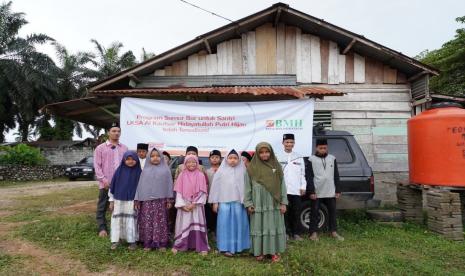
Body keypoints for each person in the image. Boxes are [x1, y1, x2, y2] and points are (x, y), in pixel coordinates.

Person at [244, 142, 287, 262]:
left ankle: (273, 252)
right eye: (261, 152)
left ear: (271, 152)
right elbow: (247, 188)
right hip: (258, 203)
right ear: (257, 154)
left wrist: (283, 202)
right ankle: (260, 251)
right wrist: (248, 203)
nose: (264, 154)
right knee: (259, 226)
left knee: (272, 226)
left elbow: (282, 185)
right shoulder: (251, 168)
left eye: (267, 152)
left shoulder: (276, 166)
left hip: (274, 203)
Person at [208, 149, 250, 257]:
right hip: (224, 203)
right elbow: (216, 188)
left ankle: (239, 246)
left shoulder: (243, 171)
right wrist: (215, 202)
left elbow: (247, 188)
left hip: (238, 204)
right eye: (230, 158)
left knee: (239, 224)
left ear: (239, 159)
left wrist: (247, 202)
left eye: (235, 158)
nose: (232, 160)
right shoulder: (221, 171)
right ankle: (225, 247)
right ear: (226, 159)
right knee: (225, 225)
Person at [135, 148, 174, 251]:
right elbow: (140, 186)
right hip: (147, 202)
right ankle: (147, 242)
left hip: (161, 201)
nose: (155, 158)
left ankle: (161, 243)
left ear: (161, 158)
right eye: (152, 156)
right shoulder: (145, 171)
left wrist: (170, 200)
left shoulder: (166, 170)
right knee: (147, 221)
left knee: (160, 221)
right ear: (149, 158)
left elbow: (169, 185)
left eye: (157, 156)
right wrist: (138, 200)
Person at [93, 122, 128, 237]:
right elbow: (97, 166)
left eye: (118, 131)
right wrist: (104, 180)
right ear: (108, 132)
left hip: (121, 184)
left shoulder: (124, 148)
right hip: (106, 183)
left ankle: (118, 228)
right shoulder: (100, 148)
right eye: (114, 131)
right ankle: (102, 229)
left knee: (119, 206)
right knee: (102, 206)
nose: (116, 133)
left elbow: (127, 165)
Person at [306, 138, 344, 241]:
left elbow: (336, 175)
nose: (323, 150)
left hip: (330, 191)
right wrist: (311, 191)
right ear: (316, 148)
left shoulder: (332, 158)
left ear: (327, 148)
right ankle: (313, 233)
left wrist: (338, 190)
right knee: (314, 212)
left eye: (325, 148)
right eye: (321, 148)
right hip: (317, 191)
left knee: (332, 212)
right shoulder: (311, 159)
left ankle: (333, 232)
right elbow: (308, 177)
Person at [172, 155, 209, 255]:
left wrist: (194, 204)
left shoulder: (201, 175)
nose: (191, 164)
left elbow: (203, 192)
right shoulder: (181, 175)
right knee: (184, 224)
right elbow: (178, 192)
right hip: (184, 205)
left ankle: (201, 246)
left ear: (197, 163)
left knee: (197, 224)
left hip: (196, 206)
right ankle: (180, 245)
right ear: (185, 163)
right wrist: (182, 205)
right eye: (188, 162)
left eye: (194, 162)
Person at [108, 151, 142, 250]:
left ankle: (132, 241)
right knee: (117, 220)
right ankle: (115, 241)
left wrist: (138, 200)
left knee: (131, 220)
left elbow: (141, 188)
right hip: (119, 201)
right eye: (128, 159)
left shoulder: (139, 172)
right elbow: (112, 187)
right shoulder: (118, 171)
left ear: (136, 160)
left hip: (132, 201)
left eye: (133, 159)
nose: (130, 161)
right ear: (124, 160)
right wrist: (111, 201)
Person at [277, 133, 307, 241]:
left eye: (291, 142)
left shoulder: (298, 157)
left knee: (296, 212)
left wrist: (303, 186)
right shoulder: (278, 156)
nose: (289, 144)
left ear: (294, 143)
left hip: (296, 190)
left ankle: (296, 233)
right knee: (284, 212)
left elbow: (303, 173)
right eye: (287, 142)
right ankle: (286, 233)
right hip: (283, 190)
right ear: (283, 143)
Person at [205, 149, 221, 235]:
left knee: (218, 215)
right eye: (212, 157)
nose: (214, 159)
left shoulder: (223, 171)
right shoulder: (207, 171)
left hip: (220, 198)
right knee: (209, 214)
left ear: (220, 159)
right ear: (209, 159)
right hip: (209, 197)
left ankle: (217, 231)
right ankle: (210, 230)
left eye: (217, 157)